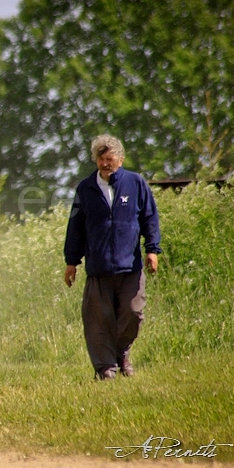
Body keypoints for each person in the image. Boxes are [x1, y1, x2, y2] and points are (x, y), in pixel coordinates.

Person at [63, 135, 161, 380]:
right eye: (101, 159)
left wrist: (152, 249)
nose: (105, 163)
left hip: (130, 266)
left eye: (110, 158)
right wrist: (72, 261)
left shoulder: (135, 183)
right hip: (99, 268)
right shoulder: (85, 188)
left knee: (133, 313)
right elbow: (75, 227)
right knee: (98, 322)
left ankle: (121, 353)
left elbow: (149, 218)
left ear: (120, 159)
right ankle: (105, 369)